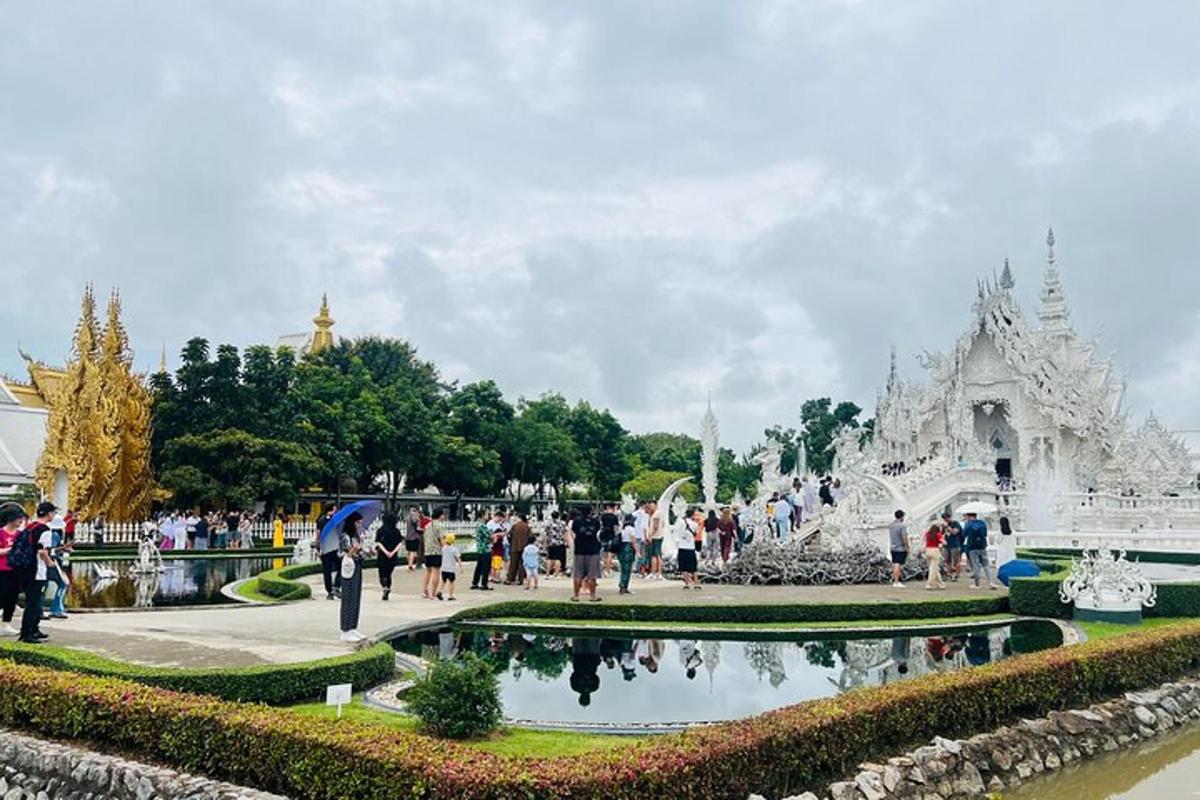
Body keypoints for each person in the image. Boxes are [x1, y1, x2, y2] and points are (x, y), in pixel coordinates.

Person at [13, 502, 56, 643]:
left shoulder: (29, 526)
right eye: (53, 512)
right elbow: (42, 551)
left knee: (35, 601)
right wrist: (50, 563)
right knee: (33, 602)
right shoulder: (45, 530)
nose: (54, 515)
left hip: (25, 569)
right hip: (37, 570)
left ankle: (34, 629)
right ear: (48, 513)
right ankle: (26, 634)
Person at [0, 504, 27, 636]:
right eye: (18, 518)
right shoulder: (1, 533)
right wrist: (10, 551)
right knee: (2, 595)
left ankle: (6, 624)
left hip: (16, 569)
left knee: (12, 597)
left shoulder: (21, 534)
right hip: (2, 569)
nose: (21, 520)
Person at [338, 515, 365, 642]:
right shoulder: (345, 536)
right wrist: (355, 549)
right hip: (348, 566)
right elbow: (346, 553)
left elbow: (359, 552)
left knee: (356, 596)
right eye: (358, 522)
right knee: (348, 597)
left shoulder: (356, 536)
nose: (360, 525)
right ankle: (345, 629)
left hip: (357, 565)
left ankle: (353, 627)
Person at [569, 505, 602, 602]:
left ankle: (576, 595)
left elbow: (573, 533)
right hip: (593, 550)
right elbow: (597, 533)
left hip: (579, 550)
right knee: (592, 575)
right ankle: (592, 595)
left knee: (577, 574)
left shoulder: (576, 522)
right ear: (590, 511)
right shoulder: (595, 522)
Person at [963, 512, 998, 589]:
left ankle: (976, 584)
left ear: (969, 516)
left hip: (972, 547)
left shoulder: (968, 524)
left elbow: (964, 534)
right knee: (986, 565)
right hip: (982, 546)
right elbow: (985, 534)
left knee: (976, 565)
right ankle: (990, 582)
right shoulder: (982, 523)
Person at [45, 514, 71, 618]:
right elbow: (52, 550)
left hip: (45, 563)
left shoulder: (48, 533)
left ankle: (39, 611)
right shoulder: (55, 535)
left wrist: (63, 548)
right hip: (53, 563)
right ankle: (56, 609)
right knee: (63, 584)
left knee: (44, 586)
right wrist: (63, 549)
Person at [375, 511, 402, 601]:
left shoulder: (380, 530)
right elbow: (399, 543)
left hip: (382, 555)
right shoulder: (396, 531)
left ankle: (385, 586)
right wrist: (393, 552)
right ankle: (388, 586)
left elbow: (378, 543)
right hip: (393, 555)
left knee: (382, 573)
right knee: (389, 573)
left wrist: (386, 552)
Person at [316, 505, 341, 600]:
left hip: (333, 548)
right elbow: (318, 535)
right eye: (334, 510)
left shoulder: (334, 521)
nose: (335, 512)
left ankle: (334, 587)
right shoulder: (324, 521)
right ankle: (331, 590)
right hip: (328, 549)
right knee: (327, 571)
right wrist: (318, 548)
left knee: (340, 567)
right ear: (329, 511)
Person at [422, 508, 446, 600]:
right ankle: (433, 593)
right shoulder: (439, 525)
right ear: (440, 515)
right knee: (436, 571)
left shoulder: (427, 525)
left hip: (428, 551)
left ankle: (424, 591)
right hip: (436, 551)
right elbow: (442, 539)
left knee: (428, 571)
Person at [469, 509, 493, 591]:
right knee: (486, 567)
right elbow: (489, 536)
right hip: (485, 548)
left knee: (479, 566)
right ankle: (484, 584)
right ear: (483, 515)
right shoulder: (482, 525)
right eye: (486, 514)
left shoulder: (478, 524)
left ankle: (475, 582)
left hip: (480, 548)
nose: (488, 515)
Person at [505, 513, 532, 585]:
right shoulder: (527, 527)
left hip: (514, 546)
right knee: (522, 564)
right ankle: (520, 579)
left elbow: (509, 535)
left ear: (519, 518)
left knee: (513, 564)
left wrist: (511, 542)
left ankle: (510, 579)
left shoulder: (515, 526)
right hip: (524, 547)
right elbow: (531, 537)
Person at [677, 508, 700, 589]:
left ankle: (687, 584)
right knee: (693, 567)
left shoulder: (680, 522)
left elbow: (677, 532)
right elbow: (696, 533)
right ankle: (696, 583)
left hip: (682, 546)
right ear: (692, 515)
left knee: (684, 567)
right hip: (691, 547)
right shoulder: (695, 524)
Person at [617, 513, 638, 595]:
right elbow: (633, 541)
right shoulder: (631, 529)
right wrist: (638, 551)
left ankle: (623, 585)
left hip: (622, 548)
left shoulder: (622, 529)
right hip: (628, 548)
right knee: (627, 569)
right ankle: (624, 586)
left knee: (623, 568)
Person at [889, 509, 909, 588]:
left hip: (892, 547)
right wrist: (907, 547)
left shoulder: (891, 525)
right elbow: (904, 537)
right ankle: (896, 582)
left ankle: (895, 579)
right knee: (898, 564)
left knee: (895, 564)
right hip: (900, 548)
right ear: (902, 516)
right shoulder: (902, 525)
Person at [544, 511, 568, 578]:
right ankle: (556, 574)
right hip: (559, 542)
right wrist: (566, 542)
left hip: (551, 542)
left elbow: (546, 534)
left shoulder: (548, 524)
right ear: (558, 516)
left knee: (549, 558)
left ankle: (547, 574)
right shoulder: (562, 523)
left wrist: (545, 543)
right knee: (558, 559)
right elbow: (565, 533)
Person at [923, 520, 946, 591]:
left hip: (927, 551)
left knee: (934, 568)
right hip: (935, 551)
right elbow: (944, 543)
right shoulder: (938, 534)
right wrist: (943, 538)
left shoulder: (927, 533)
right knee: (934, 569)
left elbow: (924, 541)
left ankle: (941, 584)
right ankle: (929, 584)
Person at [941, 511, 963, 581]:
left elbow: (954, 532)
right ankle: (949, 574)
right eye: (944, 519)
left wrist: (947, 527)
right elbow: (942, 534)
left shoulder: (955, 523)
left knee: (956, 561)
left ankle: (957, 575)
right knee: (947, 560)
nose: (945, 520)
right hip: (946, 545)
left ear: (949, 517)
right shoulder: (944, 525)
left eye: (946, 519)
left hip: (955, 544)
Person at [599, 503, 619, 576]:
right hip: (611, 535)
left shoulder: (603, 516)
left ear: (607, 507)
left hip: (603, 535)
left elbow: (601, 525)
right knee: (610, 553)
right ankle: (608, 570)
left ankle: (605, 570)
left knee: (604, 553)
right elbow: (616, 528)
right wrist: (617, 535)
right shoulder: (614, 517)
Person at [647, 501, 665, 580]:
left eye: (652, 505)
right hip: (658, 536)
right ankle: (655, 572)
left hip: (656, 537)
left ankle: (656, 573)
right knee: (655, 555)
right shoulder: (656, 513)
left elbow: (655, 526)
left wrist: (650, 535)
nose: (651, 507)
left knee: (656, 555)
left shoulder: (657, 514)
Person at [440, 532, 461, 601]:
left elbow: (442, 542)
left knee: (443, 581)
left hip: (443, 568)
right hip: (451, 569)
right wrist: (461, 567)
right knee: (451, 582)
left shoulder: (444, 548)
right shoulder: (454, 549)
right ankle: (450, 595)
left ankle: (440, 591)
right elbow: (458, 559)